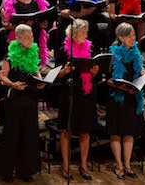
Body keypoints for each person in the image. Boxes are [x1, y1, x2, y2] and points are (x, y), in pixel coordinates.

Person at [0, 24, 44, 182]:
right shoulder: (10, 54)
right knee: (13, 135)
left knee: (29, 135)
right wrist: (12, 84)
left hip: (30, 98)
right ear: (18, 38)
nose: (32, 38)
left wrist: (41, 80)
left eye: (32, 35)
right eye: (28, 36)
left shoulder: (32, 51)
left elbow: (35, 69)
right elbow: (2, 76)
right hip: (15, 98)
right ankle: (7, 171)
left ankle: (26, 170)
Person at [56, 19, 99, 180]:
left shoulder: (90, 48)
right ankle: (66, 166)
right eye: (83, 32)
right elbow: (57, 75)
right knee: (67, 129)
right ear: (74, 34)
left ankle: (83, 165)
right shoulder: (63, 50)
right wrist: (64, 71)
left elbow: (94, 70)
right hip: (69, 93)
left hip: (86, 94)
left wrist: (95, 72)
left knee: (85, 131)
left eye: (86, 32)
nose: (86, 35)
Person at [107, 22, 145, 180]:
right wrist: (124, 88)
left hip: (131, 98)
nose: (133, 38)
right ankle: (118, 164)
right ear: (121, 37)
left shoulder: (136, 53)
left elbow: (139, 71)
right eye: (130, 35)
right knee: (116, 133)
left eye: (134, 35)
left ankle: (128, 164)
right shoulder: (113, 54)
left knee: (129, 132)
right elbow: (108, 80)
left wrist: (144, 74)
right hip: (117, 99)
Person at [1, 0, 50, 66]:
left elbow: (44, 20)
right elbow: (5, 24)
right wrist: (23, 25)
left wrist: (43, 23)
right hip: (17, 37)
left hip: (35, 35)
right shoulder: (9, 0)